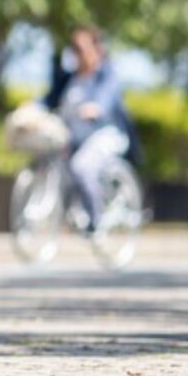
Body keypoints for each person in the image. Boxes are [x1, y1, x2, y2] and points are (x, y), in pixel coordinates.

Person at [40, 26, 137, 234]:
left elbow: (107, 97)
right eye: (74, 49)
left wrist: (96, 107)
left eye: (81, 48)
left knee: (82, 166)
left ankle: (95, 219)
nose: (77, 55)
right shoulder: (69, 78)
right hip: (74, 137)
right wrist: (33, 107)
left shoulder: (106, 75)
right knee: (55, 160)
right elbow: (49, 99)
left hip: (104, 135)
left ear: (97, 49)